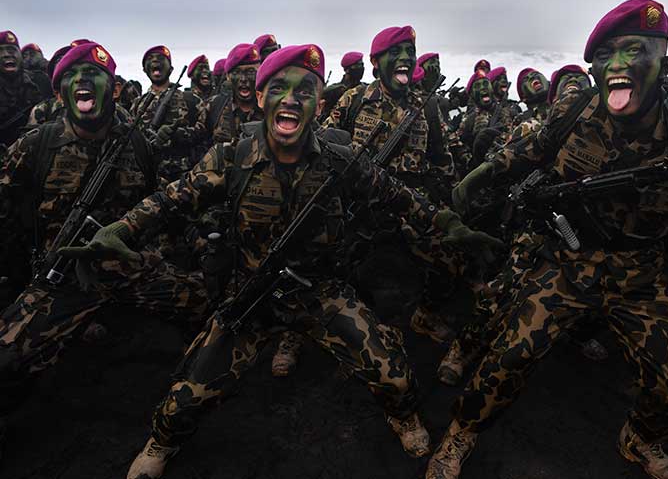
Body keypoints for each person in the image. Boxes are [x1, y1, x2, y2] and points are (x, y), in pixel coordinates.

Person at [60, 44, 501, 479]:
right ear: (261, 95)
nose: (291, 99)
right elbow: (168, 200)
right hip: (252, 296)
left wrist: (447, 222)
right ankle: (163, 442)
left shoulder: (339, 160)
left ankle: (402, 417)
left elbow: (398, 195)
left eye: (304, 91)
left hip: (321, 293)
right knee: (184, 401)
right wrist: (120, 229)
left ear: (319, 103)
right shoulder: (232, 155)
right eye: (280, 89)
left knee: (398, 382)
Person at [426, 0, 668, 479]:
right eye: (605, 54)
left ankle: (640, 438)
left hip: (642, 278)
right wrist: (481, 174)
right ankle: (462, 432)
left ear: (666, 64)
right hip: (567, 262)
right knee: (508, 358)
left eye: (634, 50)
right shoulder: (577, 110)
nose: (617, 64)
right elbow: (528, 149)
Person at [0, 42, 208, 458]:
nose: (84, 81)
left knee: (209, 306)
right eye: (71, 76)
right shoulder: (35, 146)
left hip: (131, 270)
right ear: (59, 93)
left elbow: (159, 206)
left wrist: (194, 245)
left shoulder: (140, 144)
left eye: (95, 74)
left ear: (112, 88)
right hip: (62, 282)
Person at [323, 25, 464, 346]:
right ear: (375, 62)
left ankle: (424, 314)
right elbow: (326, 148)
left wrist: (447, 207)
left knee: (451, 258)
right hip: (357, 207)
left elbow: (444, 160)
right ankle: (350, 326)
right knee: (333, 267)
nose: (405, 58)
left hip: (411, 207)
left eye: (409, 53)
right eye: (395, 53)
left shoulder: (427, 107)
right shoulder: (355, 100)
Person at [131, 45, 194, 180]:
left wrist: (177, 134)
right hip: (146, 175)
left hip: (179, 177)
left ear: (171, 69)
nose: (155, 61)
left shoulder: (191, 99)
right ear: (144, 70)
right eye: (150, 59)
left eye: (160, 58)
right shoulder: (137, 104)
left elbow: (204, 135)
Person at [0, 31, 44, 148]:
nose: (6, 55)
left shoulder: (40, 81)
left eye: (11, 50)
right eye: (0, 51)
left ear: (20, 55)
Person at [320, 51, 366, 122]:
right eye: (357, 65)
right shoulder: (334, 90)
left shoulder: (366, 89)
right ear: (347, 69)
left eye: (362, 65)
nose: (361, 68)